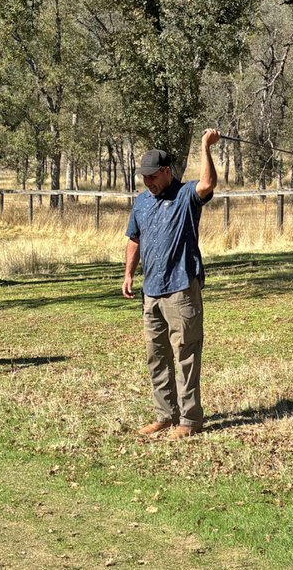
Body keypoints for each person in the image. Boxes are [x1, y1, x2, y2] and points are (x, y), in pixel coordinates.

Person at [122, 129, 220, 440]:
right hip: (151, 292)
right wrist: (128, 274)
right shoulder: (141, 203)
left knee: (186, 355)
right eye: (144, 177)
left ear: (167, 172)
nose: (147, 182)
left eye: (152, 176)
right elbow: (133, 240)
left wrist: (205, 146)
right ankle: (164, 416)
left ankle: (189, 420)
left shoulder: (186, 196)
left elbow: (208, 184)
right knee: (156, 355)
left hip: (181, 288)